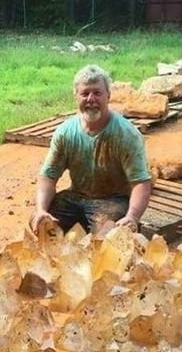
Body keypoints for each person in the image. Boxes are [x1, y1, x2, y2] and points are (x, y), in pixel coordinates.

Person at [29, 64, 153, 235]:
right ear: (76, 97)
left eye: (97, 93)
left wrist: (132, 216)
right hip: (76, 196)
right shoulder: (65, 132)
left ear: (108, 96)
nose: (91, 99)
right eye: (85, 93)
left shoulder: (126, 134)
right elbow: (48, 175)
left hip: (113, 200)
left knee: (109, 237)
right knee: (41, 223)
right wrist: (41, 210)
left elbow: (141, 183)